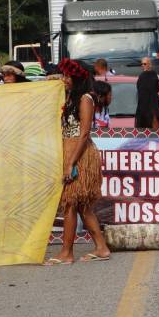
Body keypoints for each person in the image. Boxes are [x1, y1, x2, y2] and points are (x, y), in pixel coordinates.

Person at [44, 59, 110, 265]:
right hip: (69, 150)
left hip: (79, 153)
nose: (65, 80)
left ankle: (66, 253)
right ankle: (102, 248)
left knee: (71, 203)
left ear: (77, 78)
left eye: (67, 76)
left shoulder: (85, 99)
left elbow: (83, 134)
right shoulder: (71, 97)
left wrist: (71, 163)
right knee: (81, 206)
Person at [134, 57, 159, 130]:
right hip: (144, 109)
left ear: (150, 65)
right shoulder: (142, 76)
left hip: (150, 109)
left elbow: (157, 91)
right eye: (142, 64)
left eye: (145, 64)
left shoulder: (150, 76)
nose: (143, 65)